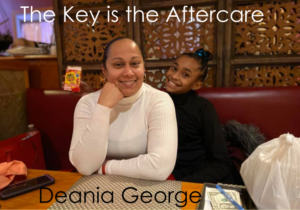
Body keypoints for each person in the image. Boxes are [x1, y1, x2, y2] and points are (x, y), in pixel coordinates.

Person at [69, 37, 178, 181]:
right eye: (118, 64)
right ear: (104, 70)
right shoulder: (87, 103)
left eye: (135, 63)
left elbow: (159, 168)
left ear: (143, 67)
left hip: (146, 188)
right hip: (96, 188)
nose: (128, 72)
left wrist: (103, 167)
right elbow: (85, 166)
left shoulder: (159, 100)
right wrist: (103, 107)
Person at [165, 49, 233, 183]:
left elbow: (222, 162)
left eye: (185, 74)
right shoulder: (156, 99)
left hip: (197, 176)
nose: (174, 76)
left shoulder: (203, 108)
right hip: (164, 175)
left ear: (197, 85)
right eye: (174, 68)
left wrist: (183, 185)